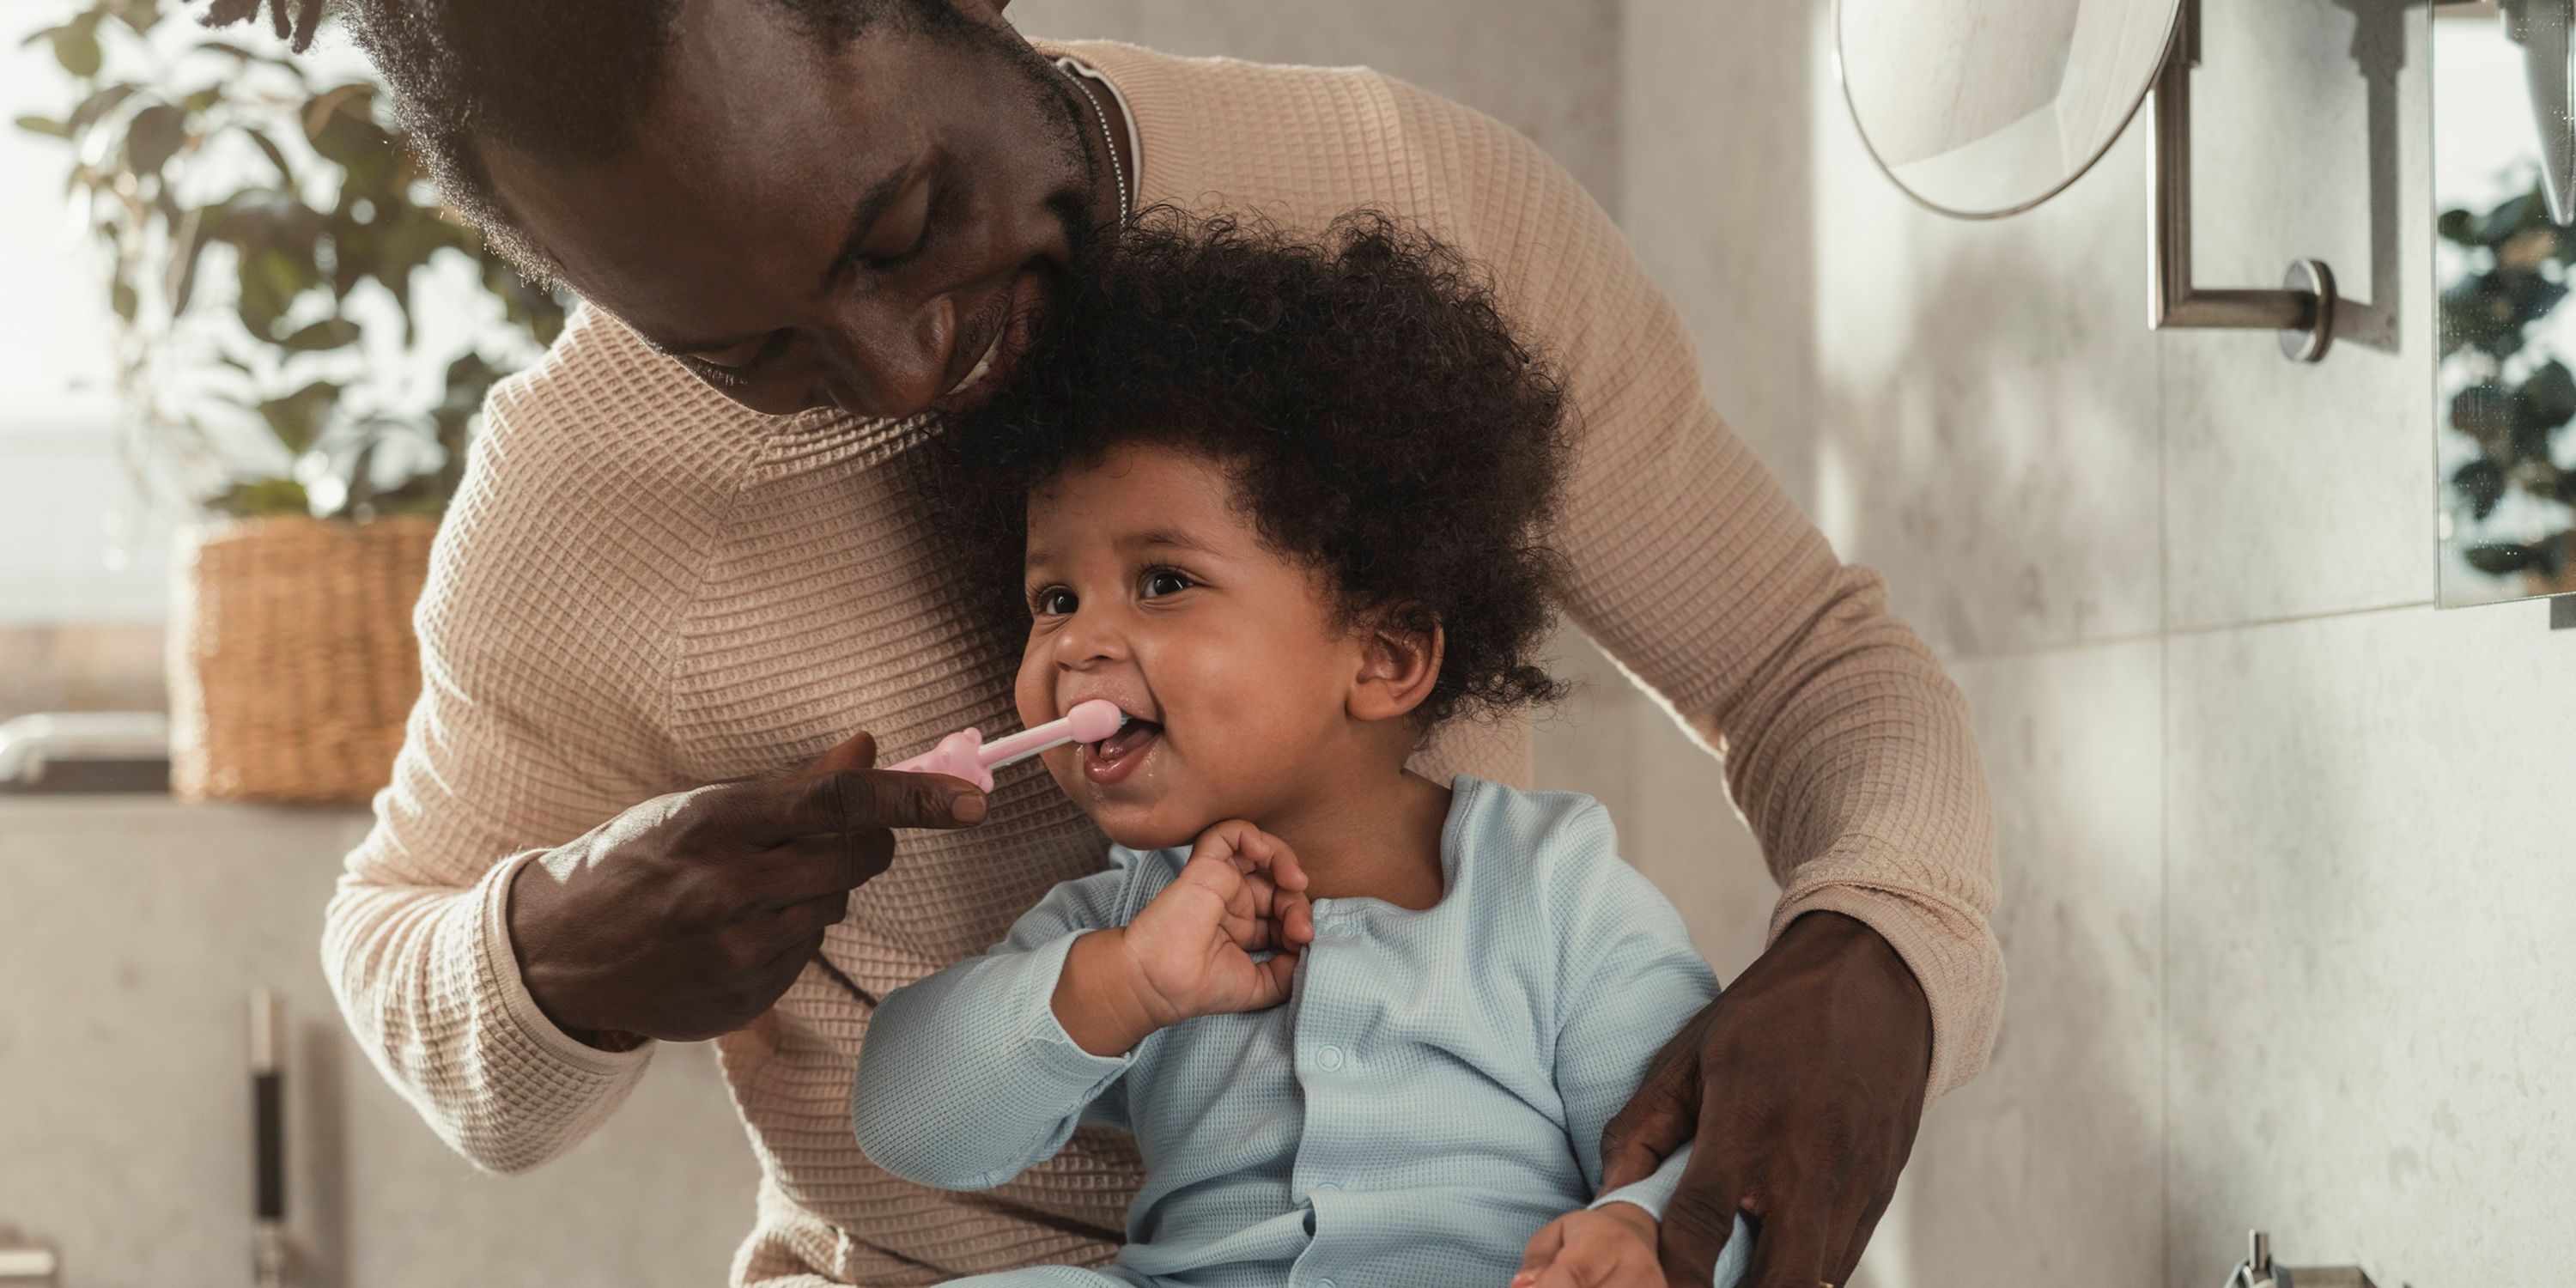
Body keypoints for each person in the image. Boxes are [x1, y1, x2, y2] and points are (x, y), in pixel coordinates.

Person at [209, 0, 2004, 1283]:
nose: (902, 373)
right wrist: (565, 954)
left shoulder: (1415, 201)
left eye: (906, 227)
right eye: (743, 356)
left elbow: (1802, 664)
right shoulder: (576, 499)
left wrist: (1883, 943)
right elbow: (407, 952)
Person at [851, 210, 1756, 1288]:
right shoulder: (1131, 916)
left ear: (1379, 659)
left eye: (1163, 582)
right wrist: (1123, 984)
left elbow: (1704, 1136)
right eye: (1054, 597)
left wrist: (1639, 1230)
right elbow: (906, 1119)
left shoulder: (1551, 887)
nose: (1078, 641)